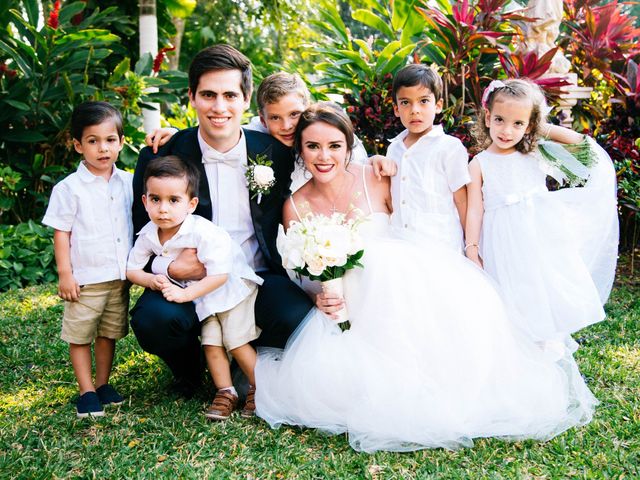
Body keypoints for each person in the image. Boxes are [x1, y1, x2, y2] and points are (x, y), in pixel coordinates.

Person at [254, 102, 598, 453]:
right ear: (300, 150)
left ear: (348, 145)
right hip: (349, 308)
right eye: (312, 146)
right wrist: (317, 295)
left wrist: (471, 244)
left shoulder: (375, 174)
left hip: (404, 285)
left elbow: (428, 204)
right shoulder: (295, 205)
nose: (323, 156)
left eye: (334, 145)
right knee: (336, 385)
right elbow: (303, 267)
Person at [130, 44, 313, 397]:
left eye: (230, 94)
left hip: (254, 277)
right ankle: (190, 370)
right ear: (192, 97)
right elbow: (140, 226)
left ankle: (242, 357)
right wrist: (167, 270)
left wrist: (375, 164)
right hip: (185, 282)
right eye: (208, 95)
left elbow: (331, 156)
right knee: (153, 321)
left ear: (246, 100)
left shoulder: (276, 152)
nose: (219, 107)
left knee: (296, 317)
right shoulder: (162, 154)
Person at [465, 78, 618, 347]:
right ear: (487, 117)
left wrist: (540, 128)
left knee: (538, 285)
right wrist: (472, 247)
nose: (507, 130)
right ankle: (515, 342)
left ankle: (542, 339)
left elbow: (583, 149)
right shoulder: (479, 163)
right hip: (501, 237)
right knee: (509, 291)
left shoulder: (536, 152)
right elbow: (475, 209)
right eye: (500, 120)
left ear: (529, 125)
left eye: (518, 123)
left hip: (537, 233)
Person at [127, 156, 263, 419]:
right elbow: (132, 269)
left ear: (191, 204)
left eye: (173, 200)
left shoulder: (204, 233)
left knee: (235, 341)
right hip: (206, 297)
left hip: (232, 292)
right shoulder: (148, 233)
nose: (163, 209)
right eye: (155, 199)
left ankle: (261, 389)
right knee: (211, 344)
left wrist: (184, 294)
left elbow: (220, 276)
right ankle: (226, 392)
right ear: (145, 201)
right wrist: (150, 280)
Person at [42, 101, 132, 417]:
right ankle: (86, 390)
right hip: (85, 278)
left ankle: (103, 383)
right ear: (79, 145)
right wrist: (65, 274)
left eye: (110, 140)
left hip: (118, 277)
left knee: (109, 332)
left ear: (122, 142)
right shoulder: (70, 189)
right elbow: (62, 233)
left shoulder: (129, 183)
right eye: (93, 141)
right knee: (81, 335)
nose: (102, 148)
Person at [145, 72, 375, 192]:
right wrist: (175, 132)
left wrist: (377, 161)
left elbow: (360, 172)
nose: (287, 126)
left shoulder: (331, 134)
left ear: (308, 108)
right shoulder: (255, 132)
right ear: (262, 120)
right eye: (275, 118)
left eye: (295, 114)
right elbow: (222, 130)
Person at [385, 64, 471, 252]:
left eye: (423, 101)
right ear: (396, 109)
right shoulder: (394, 149)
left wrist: (471, 245)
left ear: (438, 105)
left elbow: (462, 201)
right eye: (405, 102)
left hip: (440, 246)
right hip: (402, 246)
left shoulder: (449, 148)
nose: (414, 110)